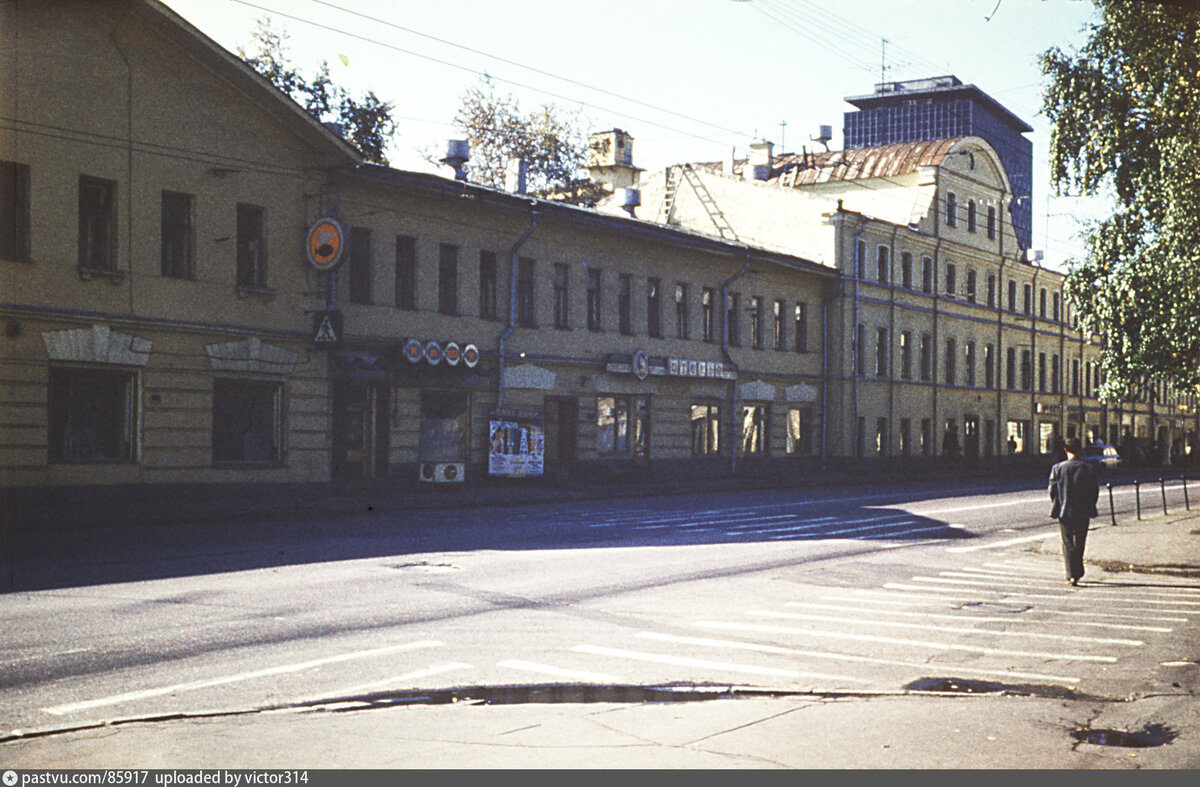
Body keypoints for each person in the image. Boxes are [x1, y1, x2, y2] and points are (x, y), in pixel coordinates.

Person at [1048, 438, 1100, 586]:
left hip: (1064, 511)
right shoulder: (1087, 468)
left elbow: (1052, 491)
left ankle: (1072, 574)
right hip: (1083, 511)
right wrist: (1090, 505)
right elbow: (1093, 491)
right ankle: (1077, 571)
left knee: (1067, 542)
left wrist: (1057, 504)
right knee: (1080, 541)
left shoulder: (1057, 468)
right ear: (1080, 450)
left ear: (1065, 450)